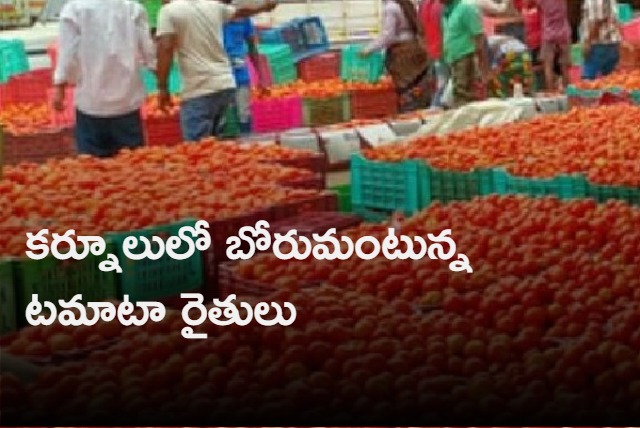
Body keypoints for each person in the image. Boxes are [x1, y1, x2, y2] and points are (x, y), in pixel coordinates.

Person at [155, 0, 276, 142]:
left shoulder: (168, 11)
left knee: (197, 149)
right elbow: (241, 11)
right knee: (213, 145)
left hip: (199, 88)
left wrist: (163, 87)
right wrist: (265, 6)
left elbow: (165, 47)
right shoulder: (213, 6)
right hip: (224, 84)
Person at [53, 0, 156, 158]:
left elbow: (66, 51)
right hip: (126, 102)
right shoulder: (132, 8)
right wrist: (160, 77)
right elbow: (148, 51)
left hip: (91, 102)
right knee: (132, 164)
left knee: (92, 167)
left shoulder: (74, 9)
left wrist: (59, 87)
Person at [360, 0, 431, 113]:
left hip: (402, 54)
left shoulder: (390, 8)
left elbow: (388, 36)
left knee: (407, 89)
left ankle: (410, 117)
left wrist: (368, 49)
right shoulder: (406, 4)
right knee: (418, 87)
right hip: (415, 49)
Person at [221, 0, 267, 135]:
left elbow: (252, 47)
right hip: (218, 73)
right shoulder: (213, 17)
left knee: (244, 113)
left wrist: (261, 76)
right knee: (220, 116)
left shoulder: (244, 19)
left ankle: (247, 143)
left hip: (240, 72)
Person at [442, 0, 491, 108]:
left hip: (466, 56)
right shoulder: (447, 12)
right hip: (453, 57)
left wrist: (481, 62)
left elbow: (478, 35)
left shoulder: (465, 9)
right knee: (459, 93)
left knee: (464, 93)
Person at [526, 0, 571, 90]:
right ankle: (567, 93)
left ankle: (551, 93)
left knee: (548, 66)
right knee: (564, 67)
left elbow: (530, 5)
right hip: (564, 33)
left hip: (548, 33)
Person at [580, 0, 622, 80]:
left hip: (597, 44)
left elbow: (597, 22)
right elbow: (616, 21)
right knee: (610, 81)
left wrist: (588, 42)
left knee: (587, 81)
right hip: (612, 43)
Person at [419, 0, 447, 109]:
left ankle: (435, 109)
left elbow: (421, 29)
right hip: (444, 49)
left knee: (439, 83)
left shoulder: (424, 4)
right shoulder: (441, 5)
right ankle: (435, 109)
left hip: (432, 49)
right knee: (444, 84)